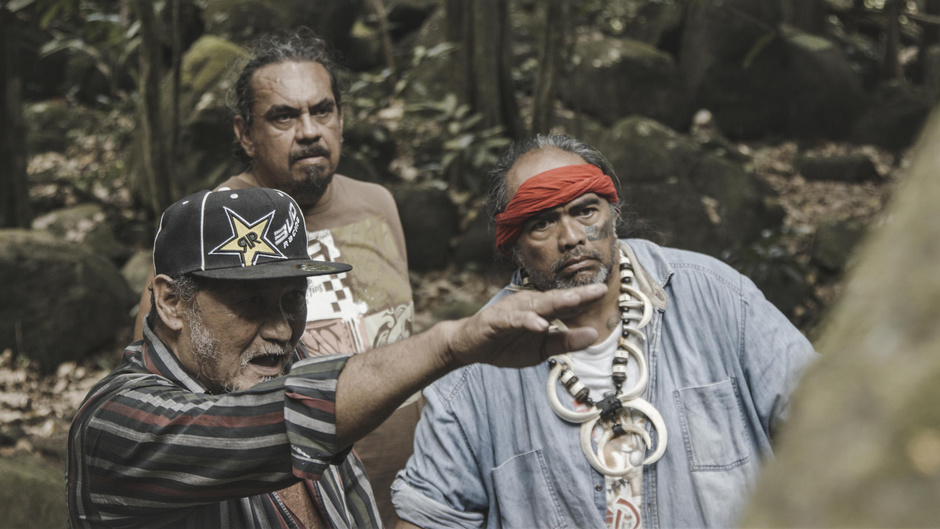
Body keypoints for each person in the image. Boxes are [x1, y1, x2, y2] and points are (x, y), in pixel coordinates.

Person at [67, 187, 606, 528]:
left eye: (292, 299)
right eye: (250, 303)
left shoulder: (290, 364)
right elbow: (276, 423)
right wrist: (450, 346)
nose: (281, 329)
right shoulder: (114, 425)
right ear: (170, 302)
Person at [391, 134, 818, 529]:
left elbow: (825, 421)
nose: (572, 237)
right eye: (542, 223)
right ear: (515, 247)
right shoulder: (474, 370)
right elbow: (428, 515)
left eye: (585, 211)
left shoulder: (716, 297)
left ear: (614, 213)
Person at [131, 28, 415, 524]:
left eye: (322, 110)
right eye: (284, 116)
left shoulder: (378, 203)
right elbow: (153, 402)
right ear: (245, 133)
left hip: (408, 499)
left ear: (342, 118)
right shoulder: (208, 233)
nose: (309, 131)